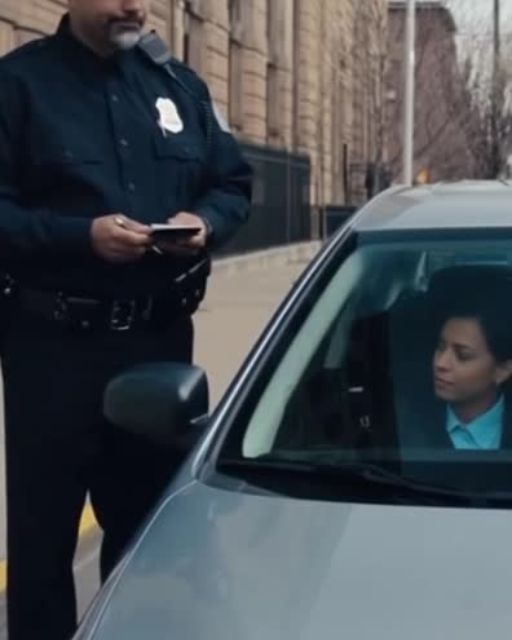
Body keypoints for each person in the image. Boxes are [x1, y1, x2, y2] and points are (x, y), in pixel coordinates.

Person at [0, 1, 252, 638]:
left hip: (158, 350)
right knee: (42, 551)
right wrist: (80, 237)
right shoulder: (18, 86)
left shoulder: (179, 87)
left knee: (152, 549)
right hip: (52, 352)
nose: (135, 5)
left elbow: (233, 182)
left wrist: (205, 223)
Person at [431, 297, 512, 450]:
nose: (440, 363)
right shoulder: (403, 424)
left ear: (502, 370)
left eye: (463, 355)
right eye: (441, 348)